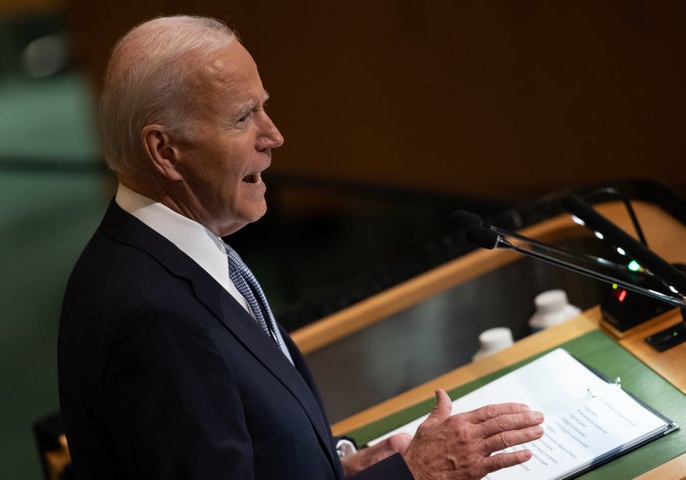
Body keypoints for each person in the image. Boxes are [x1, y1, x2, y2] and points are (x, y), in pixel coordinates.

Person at [57, 15, 544, 479]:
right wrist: (414, 472)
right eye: (244, 117)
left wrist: (342, 465)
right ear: (165, 152)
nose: (273, 136)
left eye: (263, 106)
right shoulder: (153, 317)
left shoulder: (170, 249)